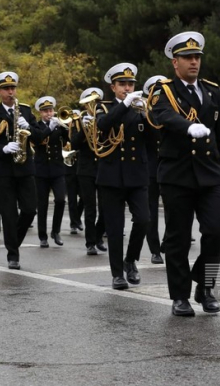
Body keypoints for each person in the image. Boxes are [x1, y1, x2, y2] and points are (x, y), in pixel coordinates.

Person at [150, 32, 220, 316]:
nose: (194, 62)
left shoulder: (211, 90)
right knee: (178, 238)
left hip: (209, 174)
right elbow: (162, 115)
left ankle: (204, 286)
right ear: (175, 62)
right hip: (177, 174)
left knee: (217, 230)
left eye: (197, 57)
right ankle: (180, 296)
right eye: (188, 58)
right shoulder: (163, 90)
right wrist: (187, 126)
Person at [95, 63, 152, 290]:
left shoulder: (140, 108)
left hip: (137, 174)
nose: (127, 88)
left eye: (130, 84)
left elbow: (153, 139)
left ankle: (131, 260)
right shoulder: (104, 107)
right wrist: (126, 105)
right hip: (111, 176)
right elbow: (103, 125)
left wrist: (149, 116)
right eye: (122, 84)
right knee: (115, 228)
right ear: (113, 87)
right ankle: (117, 273)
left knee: (144, 220)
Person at [0, 71, 44, 269]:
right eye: (6, 89)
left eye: (13, 88)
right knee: (8, 213)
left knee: (29, 210)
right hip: (4, 170)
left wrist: (30, 128)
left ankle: (13, 241)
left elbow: (40, 137)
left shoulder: (25, 110)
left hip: (25, 168)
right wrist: (3, 148)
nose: (11, 92)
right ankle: (13, 254)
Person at [70, 89, 107, 256]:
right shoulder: (78, 120)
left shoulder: (104, 116)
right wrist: (85, 129)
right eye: (90, 102)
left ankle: (99, 236)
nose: (93, 105)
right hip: (85, 169)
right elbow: (74, 144)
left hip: (104, 167)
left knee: (106, 207)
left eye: (96, 101)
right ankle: (90, 242)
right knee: (90, 207)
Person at [32, 96, 68, 248]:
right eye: (45, 111)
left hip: (57, 168)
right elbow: (38, 139)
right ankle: (42, 236)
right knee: (43, 204)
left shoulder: (58, 125)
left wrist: (66, 128)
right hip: (41, 169)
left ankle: (56, 231)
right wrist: (50, 128)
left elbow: (66, 142)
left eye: (51, 110)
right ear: (40, 112)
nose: (49, 113)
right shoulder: (36, 126)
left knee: (60, 199)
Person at [142, 76, 167, 265]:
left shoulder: (173, 109)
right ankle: (155, 249)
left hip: (169, 166)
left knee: (174, 208)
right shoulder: (144, 113)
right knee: (151, 211)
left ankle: (167, 241)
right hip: (151, 167)